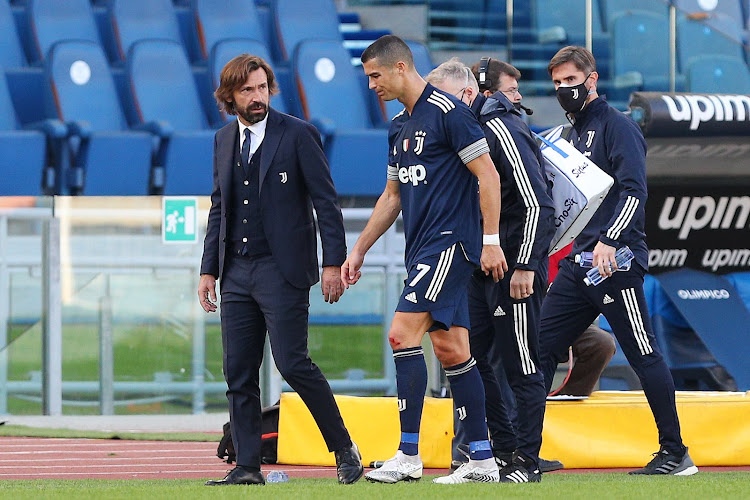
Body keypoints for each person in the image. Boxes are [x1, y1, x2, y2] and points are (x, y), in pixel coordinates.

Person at [344, 35, 507, 485]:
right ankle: (482, 460)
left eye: (375, 76)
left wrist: (490, 240)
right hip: (422, 247)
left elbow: (488, 174)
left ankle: (408, 454)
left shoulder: (450, 114)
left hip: (450, 244)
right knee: (452, 348)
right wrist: (358, 249)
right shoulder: (399, 126)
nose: (372, 85)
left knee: (401, 335)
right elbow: (392, 196)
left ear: (400, 68)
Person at [198, 54, 363, 486]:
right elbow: (220, 207)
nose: (257, 97)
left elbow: (326, 203)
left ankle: (344, 446)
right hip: (235, 270)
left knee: (293, 362)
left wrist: (332, 262)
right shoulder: (222, 140)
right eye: (247, 90)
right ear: (229, 96)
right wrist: (208, 270)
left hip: (282, 269)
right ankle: (248, 466)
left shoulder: (298, 134)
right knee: (238, 371)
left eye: (262, 87)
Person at [537, 46, 698, 476]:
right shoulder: (571, 133)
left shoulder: (618, 127)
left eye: (570, 80)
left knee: (643, 353)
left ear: (592, 79)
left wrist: (610, 240)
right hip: (579, 262)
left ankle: (675, 452)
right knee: (540, 347)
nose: (562, 89)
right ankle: (524, 449)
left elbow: (634, 191)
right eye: (556, 83)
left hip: (615, 262)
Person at [426, 57, 555, 483]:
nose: (516, 99)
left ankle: (527, 461)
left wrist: (525, 265)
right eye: (511, 90)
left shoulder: (501, 128)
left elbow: (538, 203)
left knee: (522, 364)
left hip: (513, 266)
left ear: (471, 94)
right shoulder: (460, 131)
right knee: (474, 359)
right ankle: (497, 454)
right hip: (480, 266)